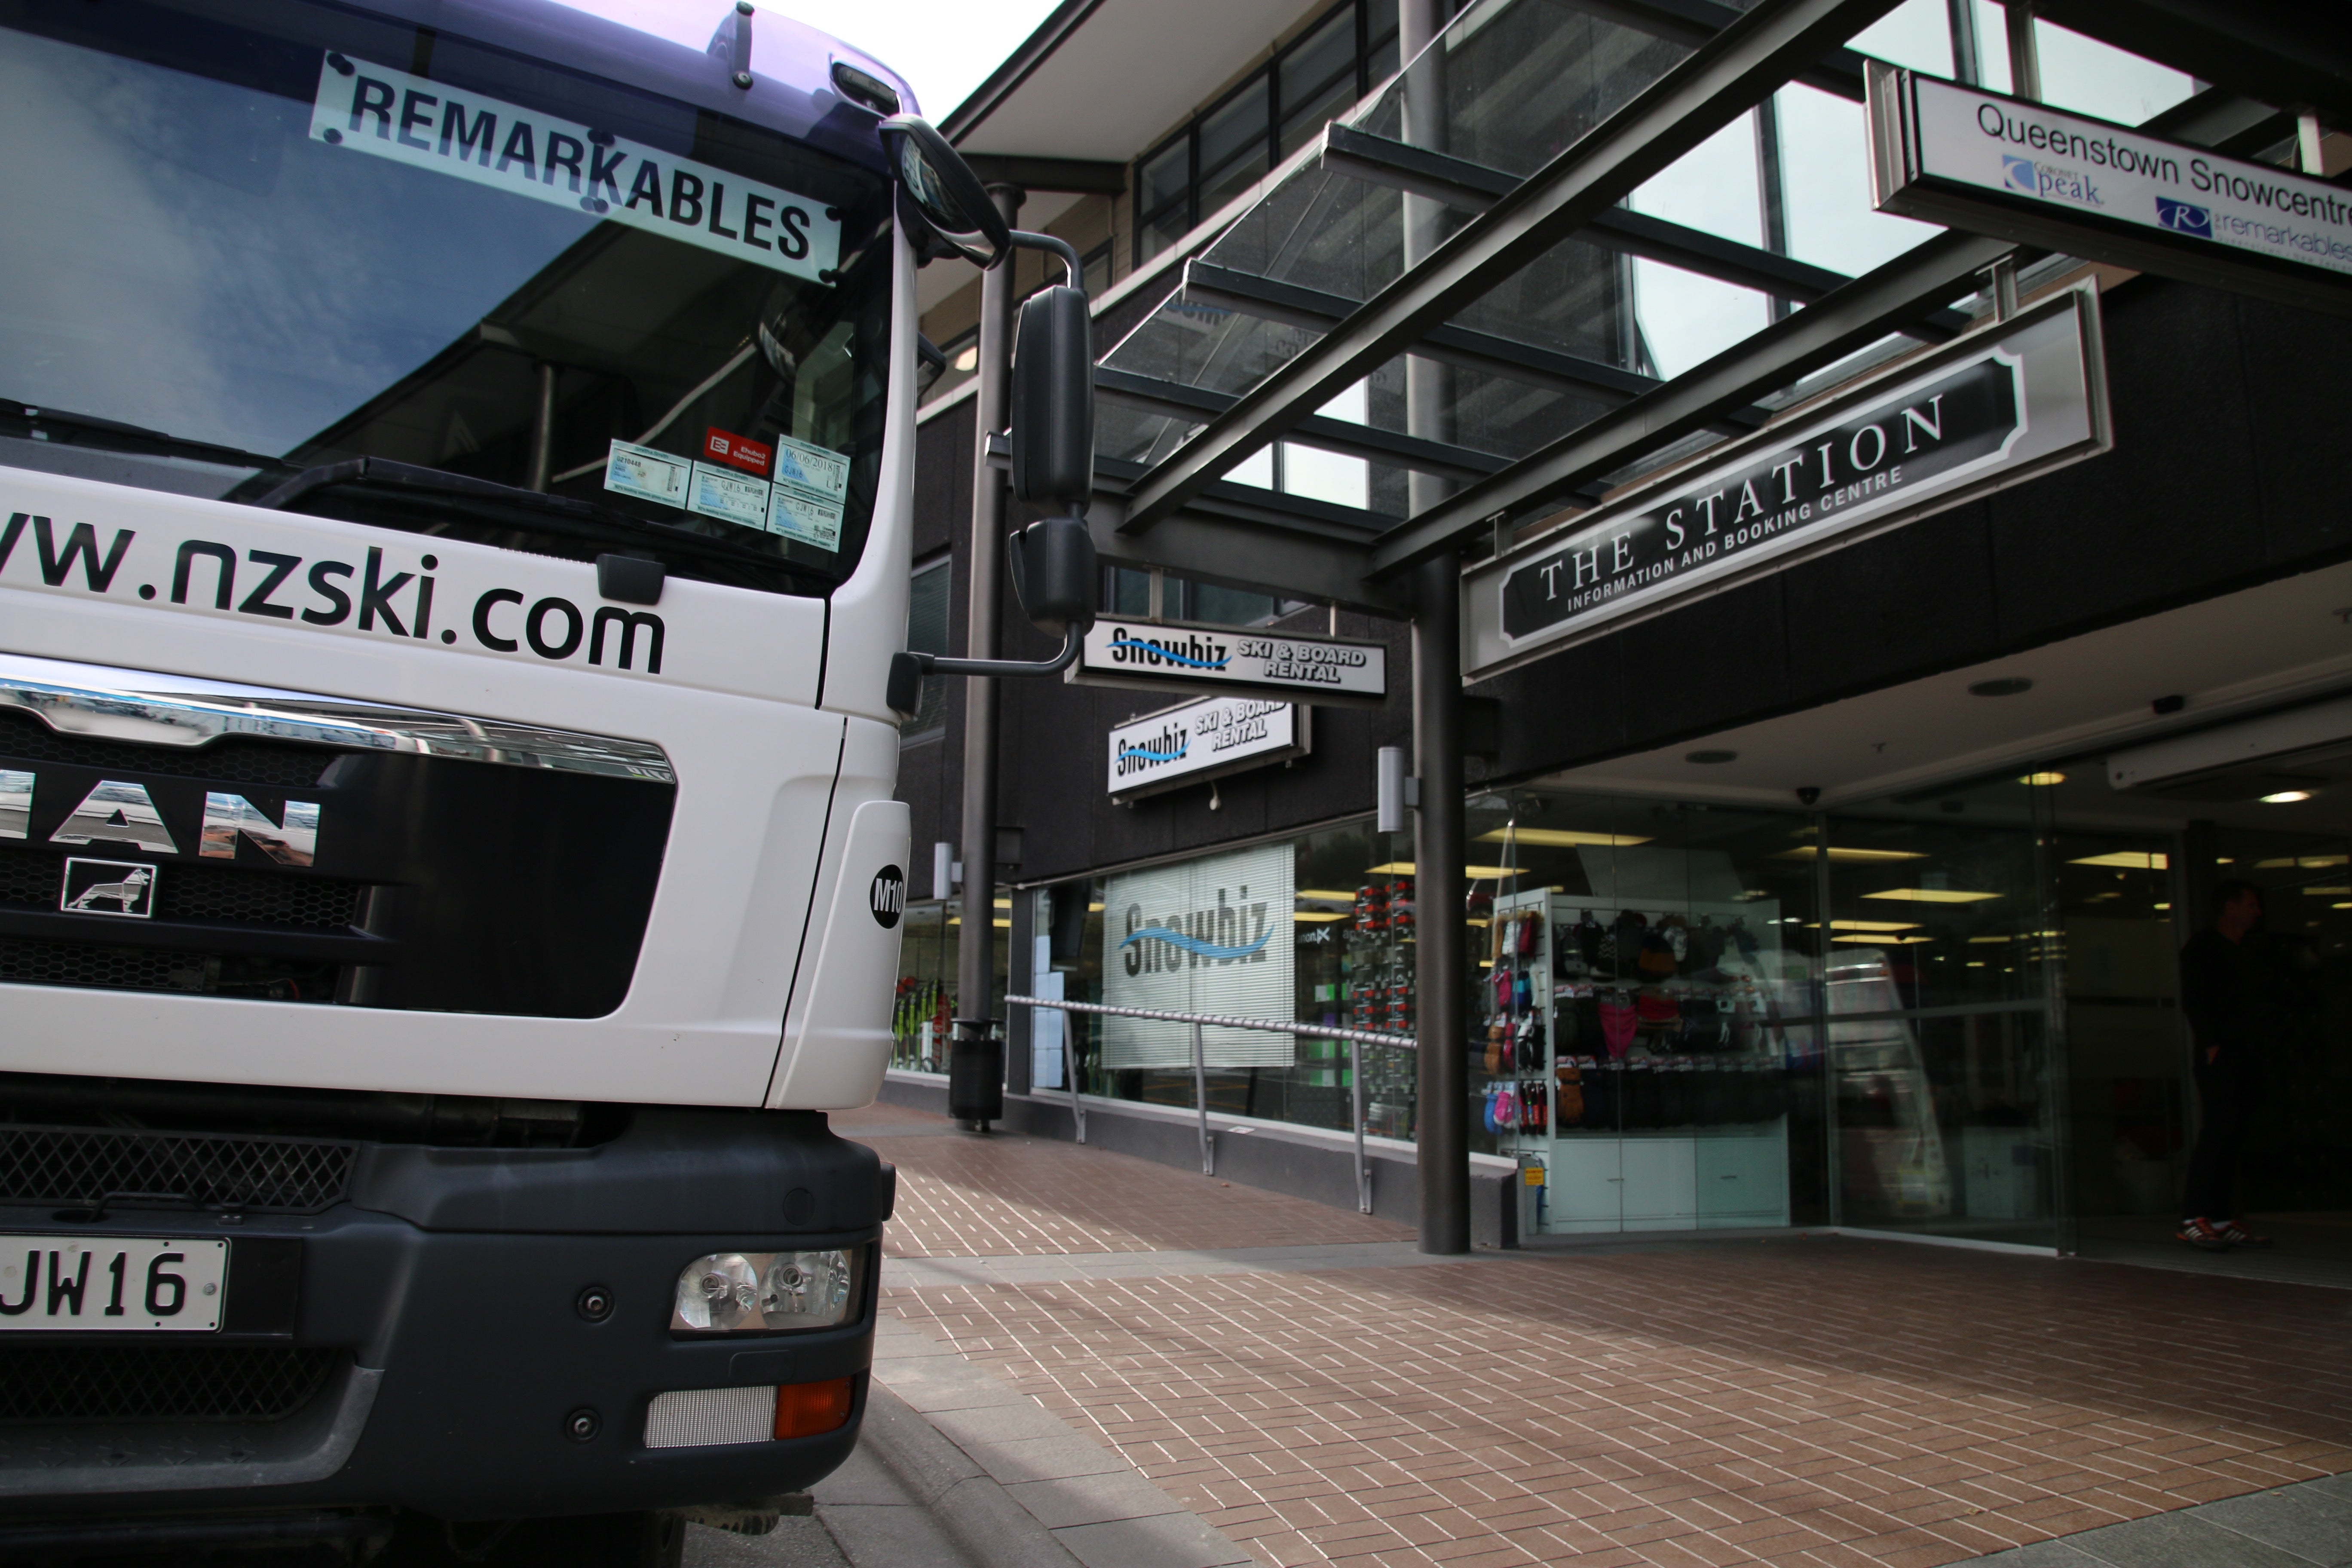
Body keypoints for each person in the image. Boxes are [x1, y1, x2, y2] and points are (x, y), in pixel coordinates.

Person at [2176, 880, 2272, 1251]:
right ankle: (2194, 1216)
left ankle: (2219, 1216)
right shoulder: (2204, 949)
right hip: (2221, 1052)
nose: (2256, 911)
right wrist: (2212, 1042)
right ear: (2229, 908)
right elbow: (2196, 998)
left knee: (2233, 1133)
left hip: (2243, 1050)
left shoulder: (2242, 952)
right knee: (2218, 1131)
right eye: (2250, 904)